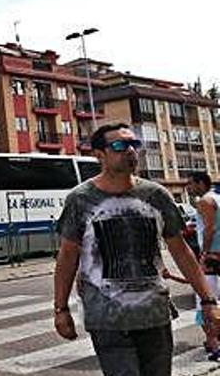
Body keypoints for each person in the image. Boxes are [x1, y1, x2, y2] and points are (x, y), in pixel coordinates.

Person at [53, 123, 218, 375]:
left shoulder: (156, 195)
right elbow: (67, 256)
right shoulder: (80, 199)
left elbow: (181, 251)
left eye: (134, 145)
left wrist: (208, 300)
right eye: (120, 146)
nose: (130, 150)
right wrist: (61, 309)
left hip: (154, 315)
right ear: (99, 155)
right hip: (107, 320)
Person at [190, 171, 220, 354]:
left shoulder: (205, 201)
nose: (188, 187)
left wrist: (205, 253)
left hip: (213, 256)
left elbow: (209, 228)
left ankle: (213, 342)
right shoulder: (218, 197)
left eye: (191, 183)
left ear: (201, 183)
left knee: (206, 299)